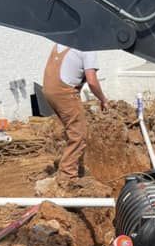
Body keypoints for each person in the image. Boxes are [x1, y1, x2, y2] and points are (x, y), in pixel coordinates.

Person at [34, 43, 109, 194]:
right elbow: (92, 81)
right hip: (64, 92)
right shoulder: (88, 47)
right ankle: (67, 177)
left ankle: (70, 166)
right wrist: (103, 99)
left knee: (72, 130)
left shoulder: (63, 41)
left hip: (49, 90)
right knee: (78, 134)